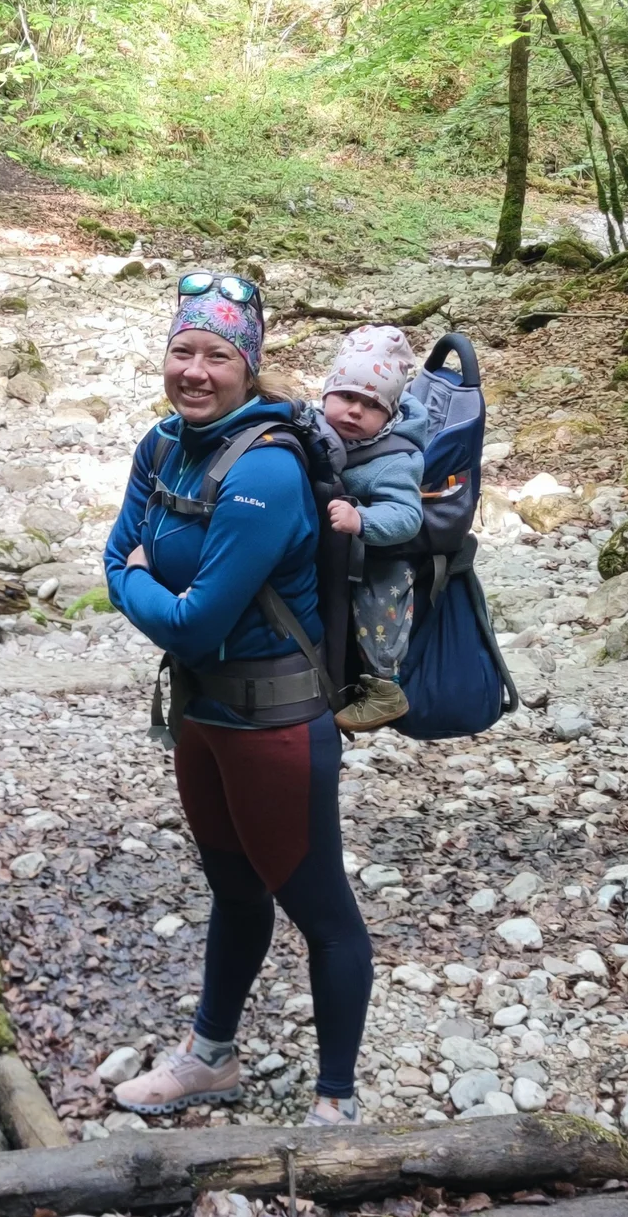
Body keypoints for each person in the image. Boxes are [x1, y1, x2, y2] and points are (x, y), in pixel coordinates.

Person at [102, 273, 372, 1127]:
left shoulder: (267, 471)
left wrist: (147, 588)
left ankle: (336, 1104)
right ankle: (210, 1058)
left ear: (248, 367)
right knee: (233, 888)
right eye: (182, 350)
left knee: (319, 908)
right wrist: (146, 589)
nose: (195, 370)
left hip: (275, 728)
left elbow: (190, 619)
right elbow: (113, 562)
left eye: (218, 355)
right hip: (203, 718)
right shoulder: (162, 445)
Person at [317, 324, 428, 732]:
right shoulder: (315, 426)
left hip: (379, 555)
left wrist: (362, 520)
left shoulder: (395, 459)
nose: (355, 411)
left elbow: (407, 516)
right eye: (346, 396)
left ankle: (384, 686)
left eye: (372, 405)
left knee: (381, 600)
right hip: (333, 548)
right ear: (326, 393)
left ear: (391, 414)